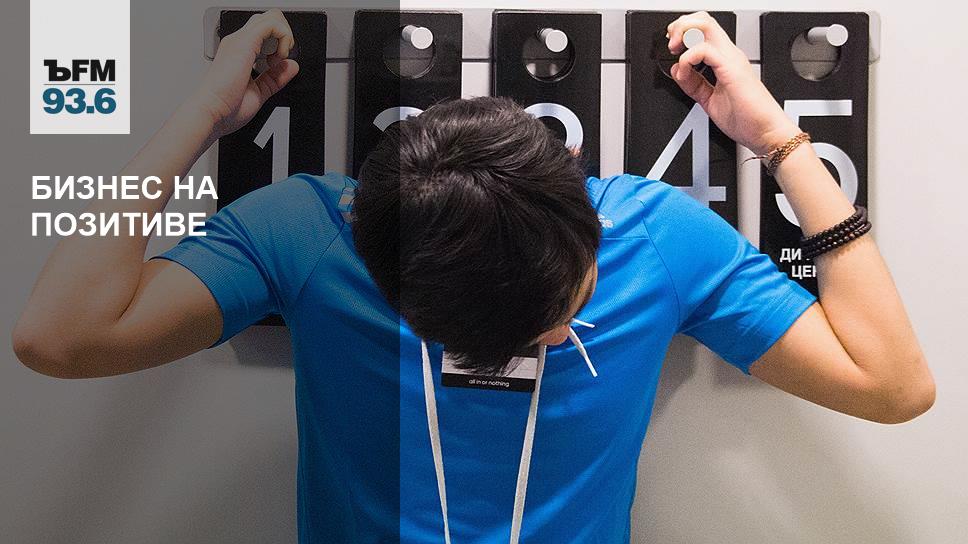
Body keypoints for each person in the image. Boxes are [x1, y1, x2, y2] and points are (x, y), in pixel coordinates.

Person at [12, 9, 934, 544]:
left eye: (564, 301)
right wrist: (200, 117)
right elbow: (58, 339)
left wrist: (779, 140)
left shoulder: (652, 235)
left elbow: (893, 387)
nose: (552, 334)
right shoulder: (309, 232)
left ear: (579, 196)